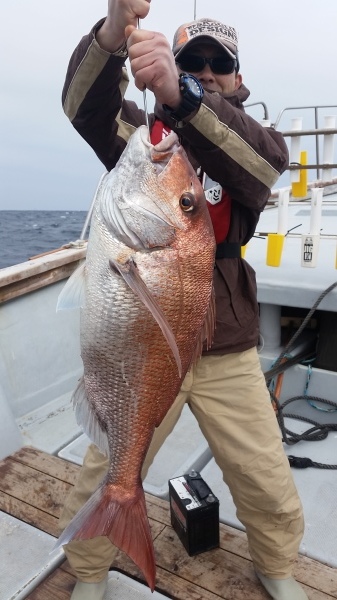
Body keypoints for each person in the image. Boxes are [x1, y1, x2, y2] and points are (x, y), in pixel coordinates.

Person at [59, 1, 309, 599]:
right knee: (107, 465)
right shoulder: (148, 142)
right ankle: (90, 569)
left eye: (216, 63)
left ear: (237, 79)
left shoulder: (253, 143)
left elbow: (267, 166)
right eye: (189, 57)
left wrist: (185, 94)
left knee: (264, 476)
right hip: (144, 349)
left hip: (227, 348)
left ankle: (275, 564)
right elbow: (82, 107)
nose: (203, 67)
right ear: (167, 60)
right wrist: (112, 34)